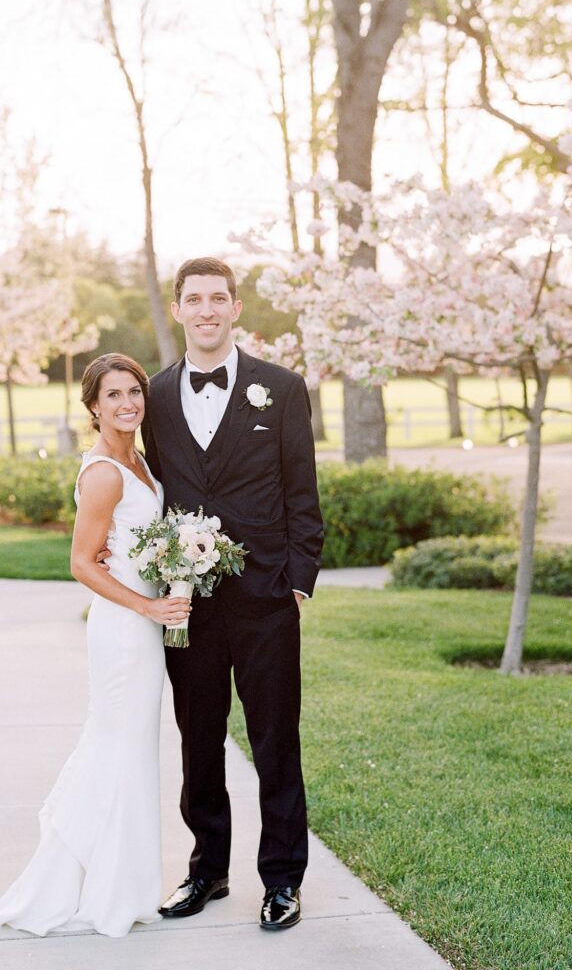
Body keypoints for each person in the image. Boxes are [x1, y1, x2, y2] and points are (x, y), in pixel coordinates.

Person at [142, 257, 323, 930]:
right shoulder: (154, 396)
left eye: (219, 298)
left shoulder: (280, 387)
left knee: (276, 740)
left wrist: (298, 580)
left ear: (237, 308)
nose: (208, 309)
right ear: (180, 309)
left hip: (267, 600)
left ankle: (282, 880)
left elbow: (302, 492)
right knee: (198, 740)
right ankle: (207, 871)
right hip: (187, 604)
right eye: (195, 299)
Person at [0, 353, 190, 938]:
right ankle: (100, 893)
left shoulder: (140, 461)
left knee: (128, 753)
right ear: (93, 406)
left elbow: (129, 541)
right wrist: (149, 605)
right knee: (118, 751)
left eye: (135, 392)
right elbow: (80, 562)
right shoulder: (104, 472)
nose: (127, 404)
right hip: (125, 631)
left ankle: (122, 887)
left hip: (142, 628)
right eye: (114, 396)